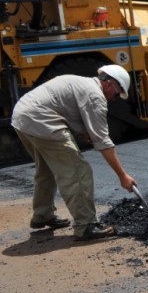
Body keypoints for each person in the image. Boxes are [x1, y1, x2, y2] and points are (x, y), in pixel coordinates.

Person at [12, 65, 137, 241]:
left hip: (22, 117)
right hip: (40, 120)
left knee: (47, 169)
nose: (114, 99)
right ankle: (86, 225)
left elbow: (63, 107)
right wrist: (123, 176)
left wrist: (82, 132)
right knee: (78, 170)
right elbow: (104, 143)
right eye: (117, 94)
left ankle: (42, 215)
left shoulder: (82, 83)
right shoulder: (95, 96)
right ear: (110, 85)